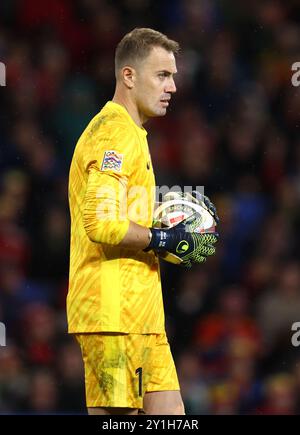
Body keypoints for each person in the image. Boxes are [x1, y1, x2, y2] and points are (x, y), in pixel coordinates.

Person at [67, 28, 218, 415]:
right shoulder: (113, 134)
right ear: (128, 76)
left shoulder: (133, 134)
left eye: (174, 76)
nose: (173, 86)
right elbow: (101, 223)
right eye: (162, 75)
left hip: (144, 315)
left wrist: (164, 224)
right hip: (113, 314)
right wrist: (163, 238)